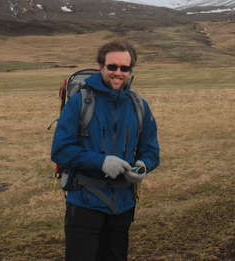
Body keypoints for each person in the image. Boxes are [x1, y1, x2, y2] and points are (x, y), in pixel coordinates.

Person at [51, 39, 160, 261]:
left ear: (130, 70)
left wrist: (142, 166)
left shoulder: (139, 106)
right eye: (112, 66)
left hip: (123, 204)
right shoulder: (80, 103)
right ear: (101, 66)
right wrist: (100, 162)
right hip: (84, 203)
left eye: (124, 68)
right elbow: (60, 150)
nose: (118, 73)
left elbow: (151, 151)